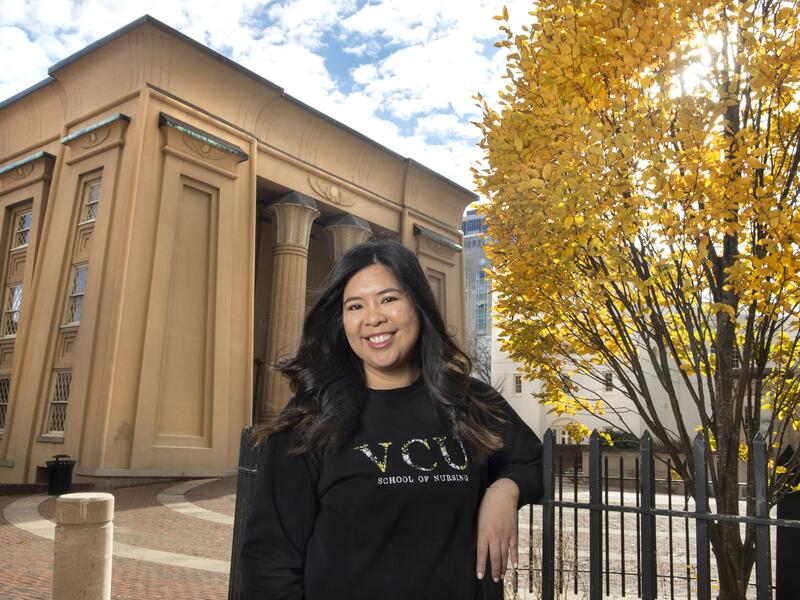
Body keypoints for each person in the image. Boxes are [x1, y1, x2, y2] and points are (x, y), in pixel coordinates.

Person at [241, 238, 542, 599]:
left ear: (417, 304)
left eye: (389, 298)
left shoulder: (468, 401)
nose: (373, 318)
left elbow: (540, 462)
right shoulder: (310, 420)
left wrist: (505, 490)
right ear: (342, 321)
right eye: (355, 306)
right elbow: (269, 563)